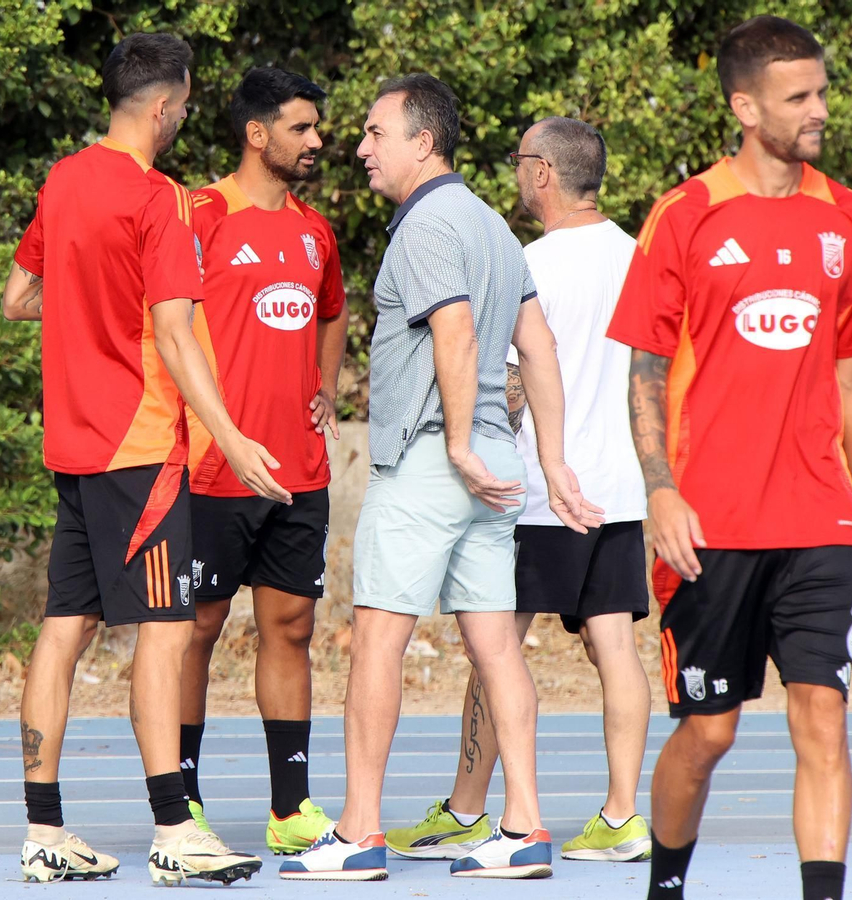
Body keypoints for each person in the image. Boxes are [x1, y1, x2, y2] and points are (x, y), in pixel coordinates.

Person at [280, 73, 599, 882]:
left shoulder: (425, 225)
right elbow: (540, 348)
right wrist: (551, 464)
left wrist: (455, 442)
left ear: (423, 142)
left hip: (436, 459)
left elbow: (455, 332)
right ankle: (524, 826)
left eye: (375, 132)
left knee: (377, 643)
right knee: (497, 648)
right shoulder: (494, 225)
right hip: (495, 463)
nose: (360, 147)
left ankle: (357, 832)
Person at [0, 32, 288, 887]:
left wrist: (89, 293)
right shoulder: (156, 197)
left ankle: (44, 831)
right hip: (141, 447)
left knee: (65, 631)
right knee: (164, 634)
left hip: (74, 446)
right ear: (164, 109)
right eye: (188, 106)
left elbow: (18, 298)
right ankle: (174, 828)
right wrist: (232, 438)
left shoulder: (64, 179)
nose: (186, 118)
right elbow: (172, 331)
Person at [605, 16, 852, 900]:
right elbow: (644, 372)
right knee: (710, 733)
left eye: (822, 92)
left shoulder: (849, 218)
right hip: (711, 522)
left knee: (823, 721)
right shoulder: (687, 215)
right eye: (798, 96)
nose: (819, 110)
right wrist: (660, 491)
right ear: (744, 104)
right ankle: (667, 885)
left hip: (818, 516)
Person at [384, 116, 653, 864]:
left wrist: (464, 448)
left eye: (516, 161)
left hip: (536, 489)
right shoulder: (640, 259)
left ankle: (471, 810)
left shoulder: (528, 261)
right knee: (615, 646)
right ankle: (625, 815)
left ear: (542, 173)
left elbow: (505, 384)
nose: (511, 174)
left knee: (494, 648)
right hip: (617, 489)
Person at [177, 66, 349, 855]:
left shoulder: (317, 231)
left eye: (317, 128)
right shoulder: (200, 213)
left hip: (297, 472)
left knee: (291, 626)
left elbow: (332, 314)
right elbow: (165, 329)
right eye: (301, 128)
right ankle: (182, 805)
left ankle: (291, 810)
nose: (317, 141)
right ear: (257, 134)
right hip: (211, 470)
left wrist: (326, 391)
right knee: (195, 630)